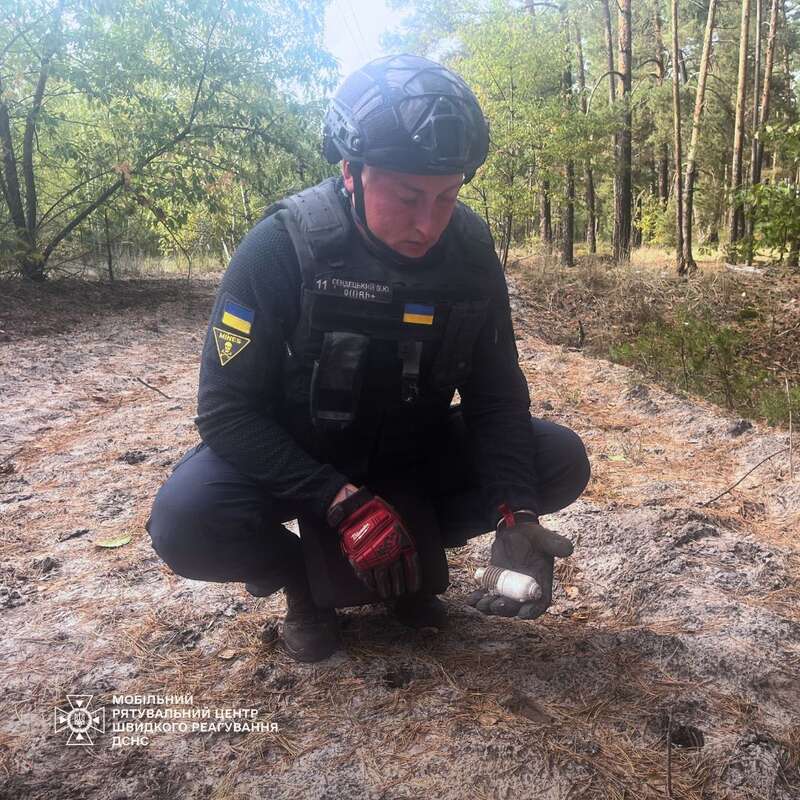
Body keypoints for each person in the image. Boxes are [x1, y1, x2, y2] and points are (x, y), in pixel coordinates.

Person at [146, 54, 590, 663]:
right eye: (408, 196)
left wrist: (518, 513)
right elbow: (225, 414)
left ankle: (409, 556)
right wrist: (343, 502)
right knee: (185, 522)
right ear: (351, 171)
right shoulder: (280, 247)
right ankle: (301, 582)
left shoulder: (470, 251)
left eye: (446, 196)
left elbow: (497, 396)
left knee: (558, 459)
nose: (427, 222)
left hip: (412, 450)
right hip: (301, 460)